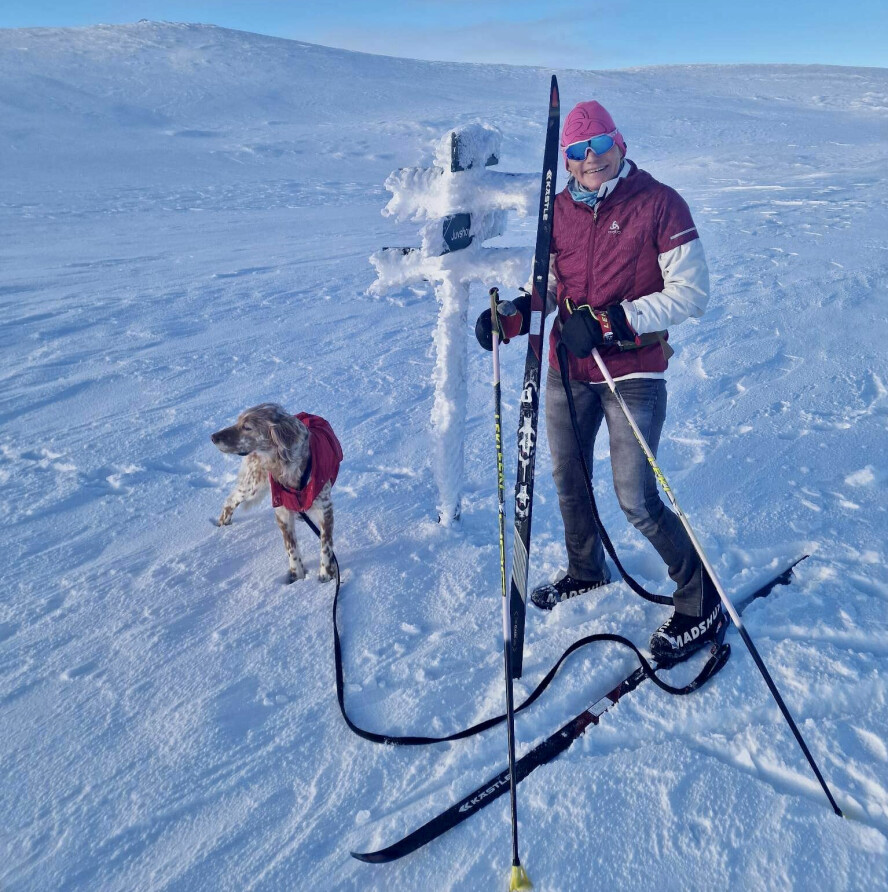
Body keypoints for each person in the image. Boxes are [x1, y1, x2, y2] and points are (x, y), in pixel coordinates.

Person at [475, 99, 723, 662]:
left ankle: (698, 597)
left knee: (635, 496)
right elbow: (553, 292)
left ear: (620, 145)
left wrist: (613, 320)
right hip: (568, 365)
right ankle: (586, 569)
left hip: (631, 370)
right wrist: (513, 317)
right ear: (566, 161)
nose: (590, 159)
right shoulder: (559, 210)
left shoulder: (659, 204)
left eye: (599, 146)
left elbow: (692, 294)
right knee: (569, 476)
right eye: (577, 151)